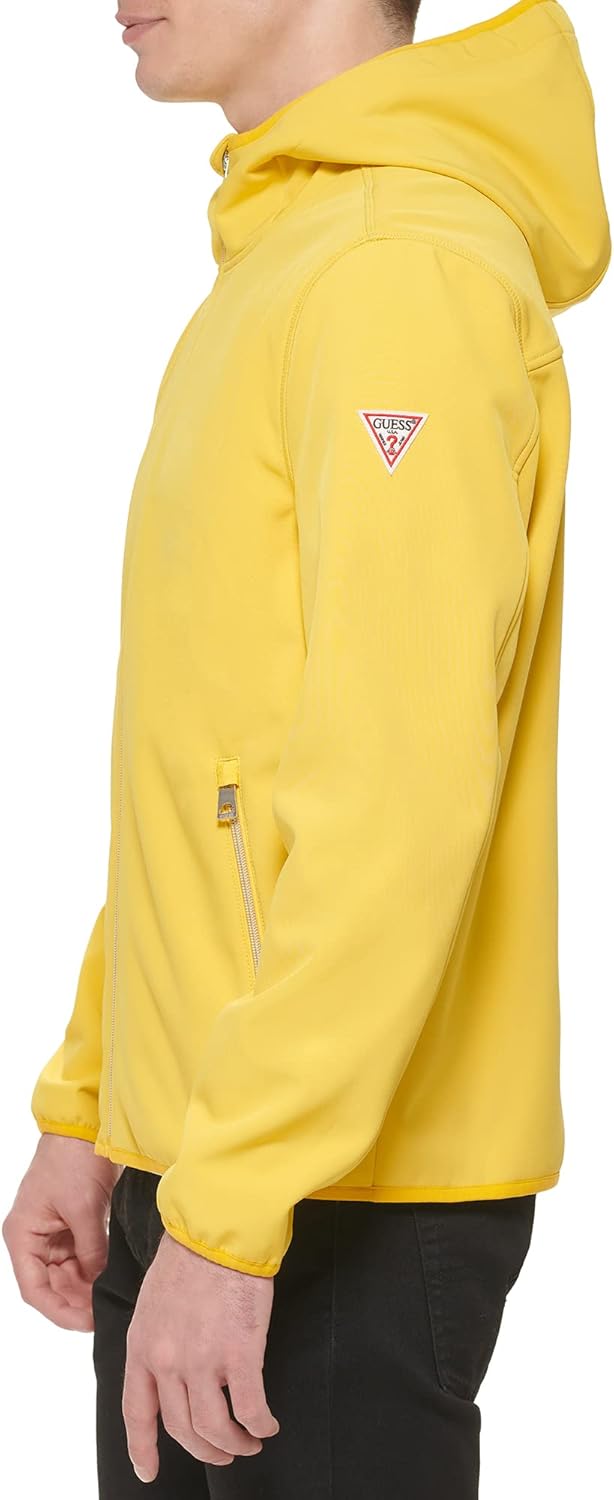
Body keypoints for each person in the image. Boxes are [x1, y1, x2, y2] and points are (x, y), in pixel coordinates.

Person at [3, 1, 610, 1495]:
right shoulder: (291, 262)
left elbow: (400, 792)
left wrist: (232, 1212)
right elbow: (216, 764)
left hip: (332, 1203)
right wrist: (99, 1104)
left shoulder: (398, 272)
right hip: (219, 1171)